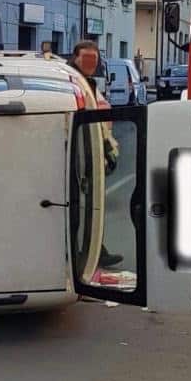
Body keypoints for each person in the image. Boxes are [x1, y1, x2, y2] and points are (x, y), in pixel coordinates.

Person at [68, 40, 123, 268]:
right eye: (86, 58)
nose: (91, 63)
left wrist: (108, 147)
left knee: (88, 205)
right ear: (75, 58)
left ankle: (94, 251)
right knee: (79, 206)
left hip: (88, 151)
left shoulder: (86, 82)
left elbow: (99, 117)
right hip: (77, 153)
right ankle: (84, 254)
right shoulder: (72, 81)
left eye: (95, 59)